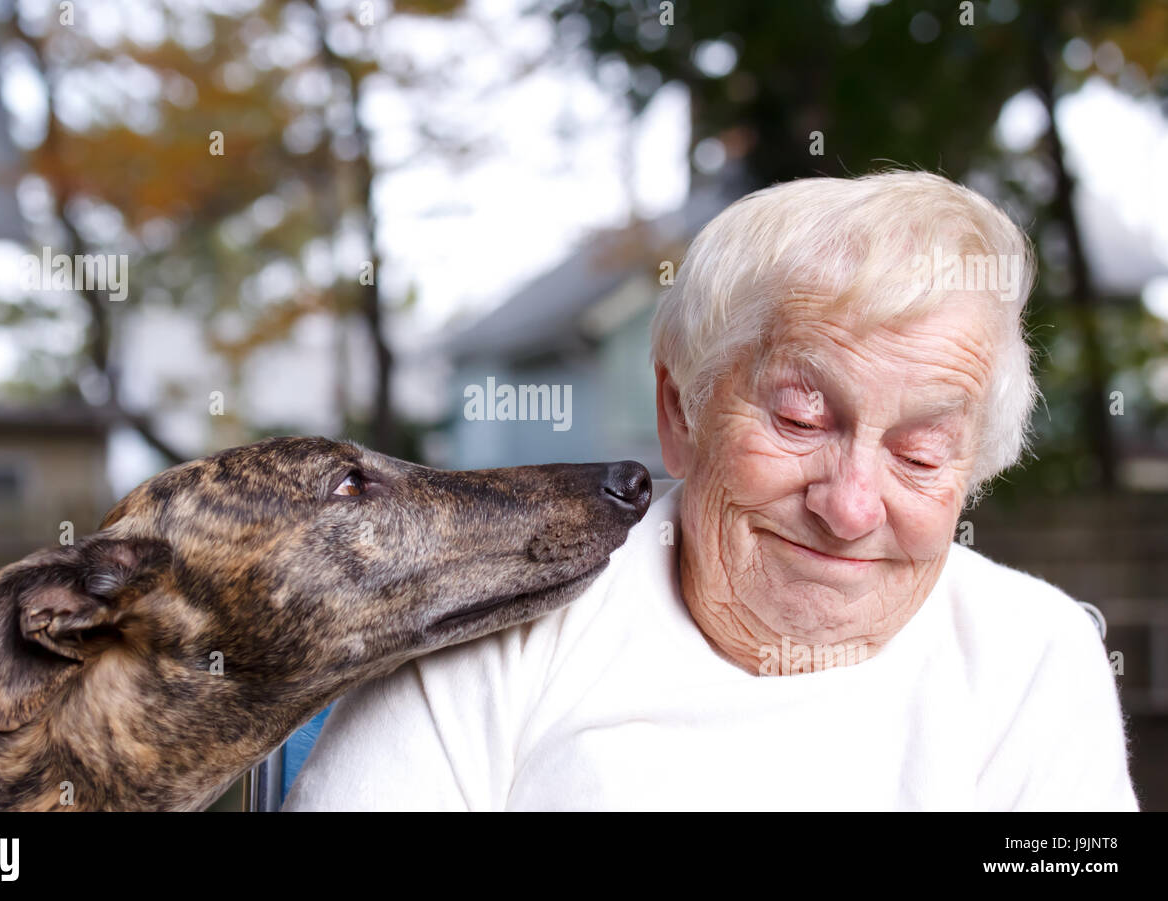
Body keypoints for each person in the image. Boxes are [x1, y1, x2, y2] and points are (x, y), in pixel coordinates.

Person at [283, 170, 1139, 811]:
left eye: (919, 455)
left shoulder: (1035, 656)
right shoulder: (500, 610)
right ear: (681, 410)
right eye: (802, 420)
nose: (848, 508)